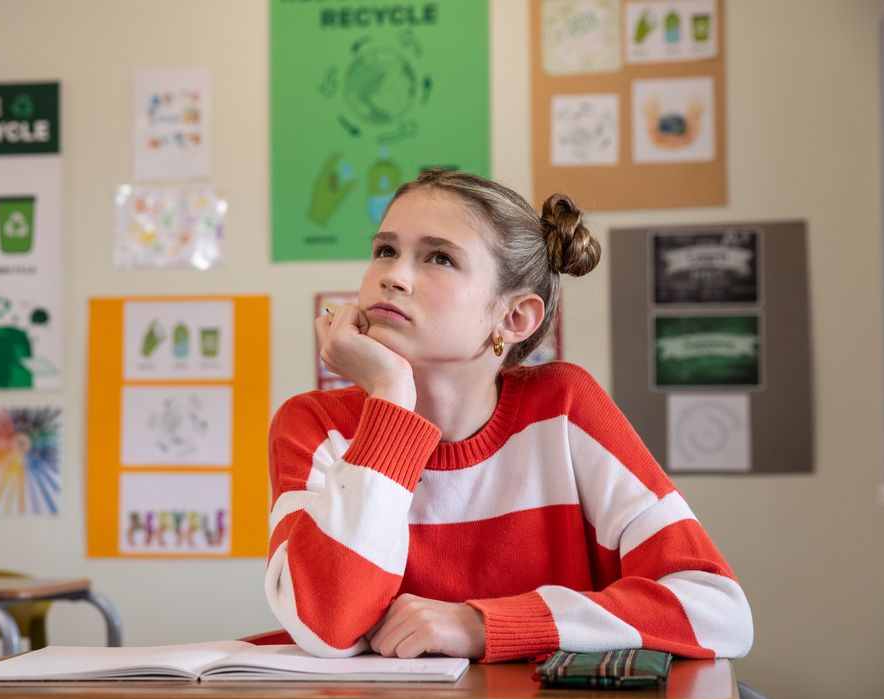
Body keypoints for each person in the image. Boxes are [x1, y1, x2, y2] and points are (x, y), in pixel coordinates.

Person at [264, 169, 753, 662]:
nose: (392, 275)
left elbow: (718, 612)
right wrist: (390, 400)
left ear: (514, 318)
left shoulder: (563, 408)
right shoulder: (312, 423)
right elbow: (328, 626)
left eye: (439, 258)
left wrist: (483, 624)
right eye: (385, 250)